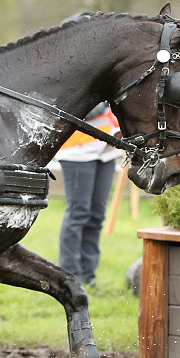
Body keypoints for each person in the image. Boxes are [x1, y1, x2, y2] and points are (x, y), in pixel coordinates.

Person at [56, 102, 122, 287]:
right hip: (78, 151)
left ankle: (88, 276)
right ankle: (70, 276)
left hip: (106, 151)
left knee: (96, 215)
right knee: (78, 213)